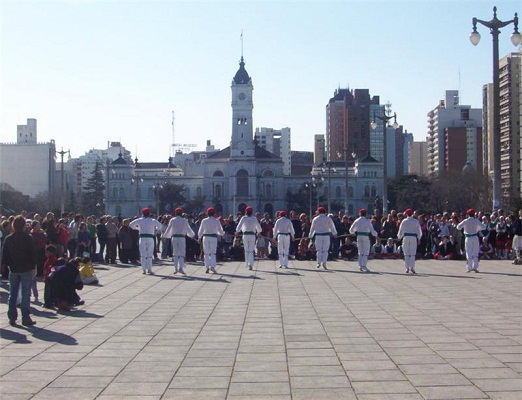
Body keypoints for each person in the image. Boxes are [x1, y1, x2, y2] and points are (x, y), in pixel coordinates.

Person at [2, 215, 37, 326]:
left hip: (13, 269)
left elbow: (5, 254)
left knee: (13, 293)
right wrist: (34, 266)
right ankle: (25, 317)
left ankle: (12, 317)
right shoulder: (28, 238)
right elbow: (32, 254)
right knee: (26, 294)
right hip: (26, 268)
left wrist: (6, 265)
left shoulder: (9, 238)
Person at [130, 208, 163, 275]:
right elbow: (160, 226)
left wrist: (138, 228)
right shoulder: (152, 220)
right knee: (149, 254)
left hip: (142, 237)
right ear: (149, 213)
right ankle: (149, 269)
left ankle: (144, 269)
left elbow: (131, 224)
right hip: (150, 238)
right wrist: (155, 229)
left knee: (143, 254)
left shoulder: (140, 220)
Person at [163, 207, 195, 275]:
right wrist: (192, 235)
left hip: (174, 238)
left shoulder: (172, 220)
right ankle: (181, 268)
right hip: (181, 238)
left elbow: (168, 229)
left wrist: (166, 236)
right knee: (182, 253)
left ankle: (176, 268)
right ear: (181, 213)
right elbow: (188, 229)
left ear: (175, 213)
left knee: (175, 253)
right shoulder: (184, 220)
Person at [457, 209, 487, 273]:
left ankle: (469, 268)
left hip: (468, 237)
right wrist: (478, 229)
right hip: (475, 237)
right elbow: (484, 227)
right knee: (475, 252)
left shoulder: (466, 221)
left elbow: (458, 227)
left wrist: (464, 227)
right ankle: (475, 267)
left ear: (468, 215)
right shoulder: (476, 221)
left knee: (468, 252)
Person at [198, 207, 224, 273]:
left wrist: (199, 237)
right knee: (213, 253)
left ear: (207, 213)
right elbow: (220, 230)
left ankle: (207, 267)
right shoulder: (216, 221)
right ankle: (212, 267)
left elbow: (201, 230)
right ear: (214, 213)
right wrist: (222, 234)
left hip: (205, 237)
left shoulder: (204, 220)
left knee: (206, 253)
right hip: (213, 238)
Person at [236, 206, 262, 270]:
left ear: (246, 212)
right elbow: (259, 228)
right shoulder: (254, 218)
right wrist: (259, 232)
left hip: (245, 235)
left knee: (246, 249)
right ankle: (251, 264)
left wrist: (237, 231)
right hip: (252, 235)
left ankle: (247, 263)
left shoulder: (243, 218)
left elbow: (238, 227)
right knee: (251, 250)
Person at [397, 208, 423, 274]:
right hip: (413, 238)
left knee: (406, 253)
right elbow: (419, 231)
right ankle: (412, 267)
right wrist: (419, 238)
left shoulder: (404, 221)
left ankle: (407, 268)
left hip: (406, 237)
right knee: (412, 253)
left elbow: (401, 230)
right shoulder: (416, 221)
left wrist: (399, 237)